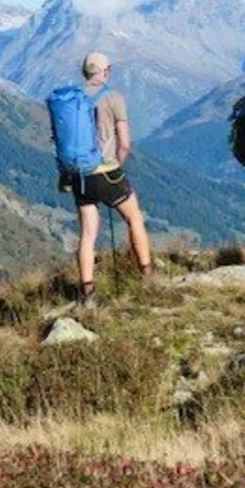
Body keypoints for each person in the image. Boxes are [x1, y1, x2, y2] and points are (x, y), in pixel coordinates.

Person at [58, 52, 152, 308]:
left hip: (80, 175)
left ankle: (87, 292)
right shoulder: (113, 97)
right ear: (104, 71)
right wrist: (117, 166)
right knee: (134, 218)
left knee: (88, 234)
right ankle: (147, 275)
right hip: (107, 171)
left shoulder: (71, 99)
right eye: (108, 69)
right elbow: (125, 143)